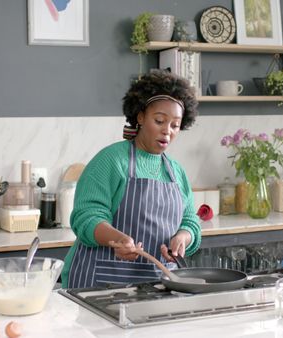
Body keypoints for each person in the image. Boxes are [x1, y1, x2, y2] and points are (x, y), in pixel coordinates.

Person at [61, 70, 202, 288]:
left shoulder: (176, 172)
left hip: (157, 285)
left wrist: (183, 237)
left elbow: (190, 221)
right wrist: (115, 238)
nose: (167, 131)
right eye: (159, 121)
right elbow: (86, 216)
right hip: (100, 284)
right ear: (140, 116)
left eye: (175, 125)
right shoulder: (111, 160)